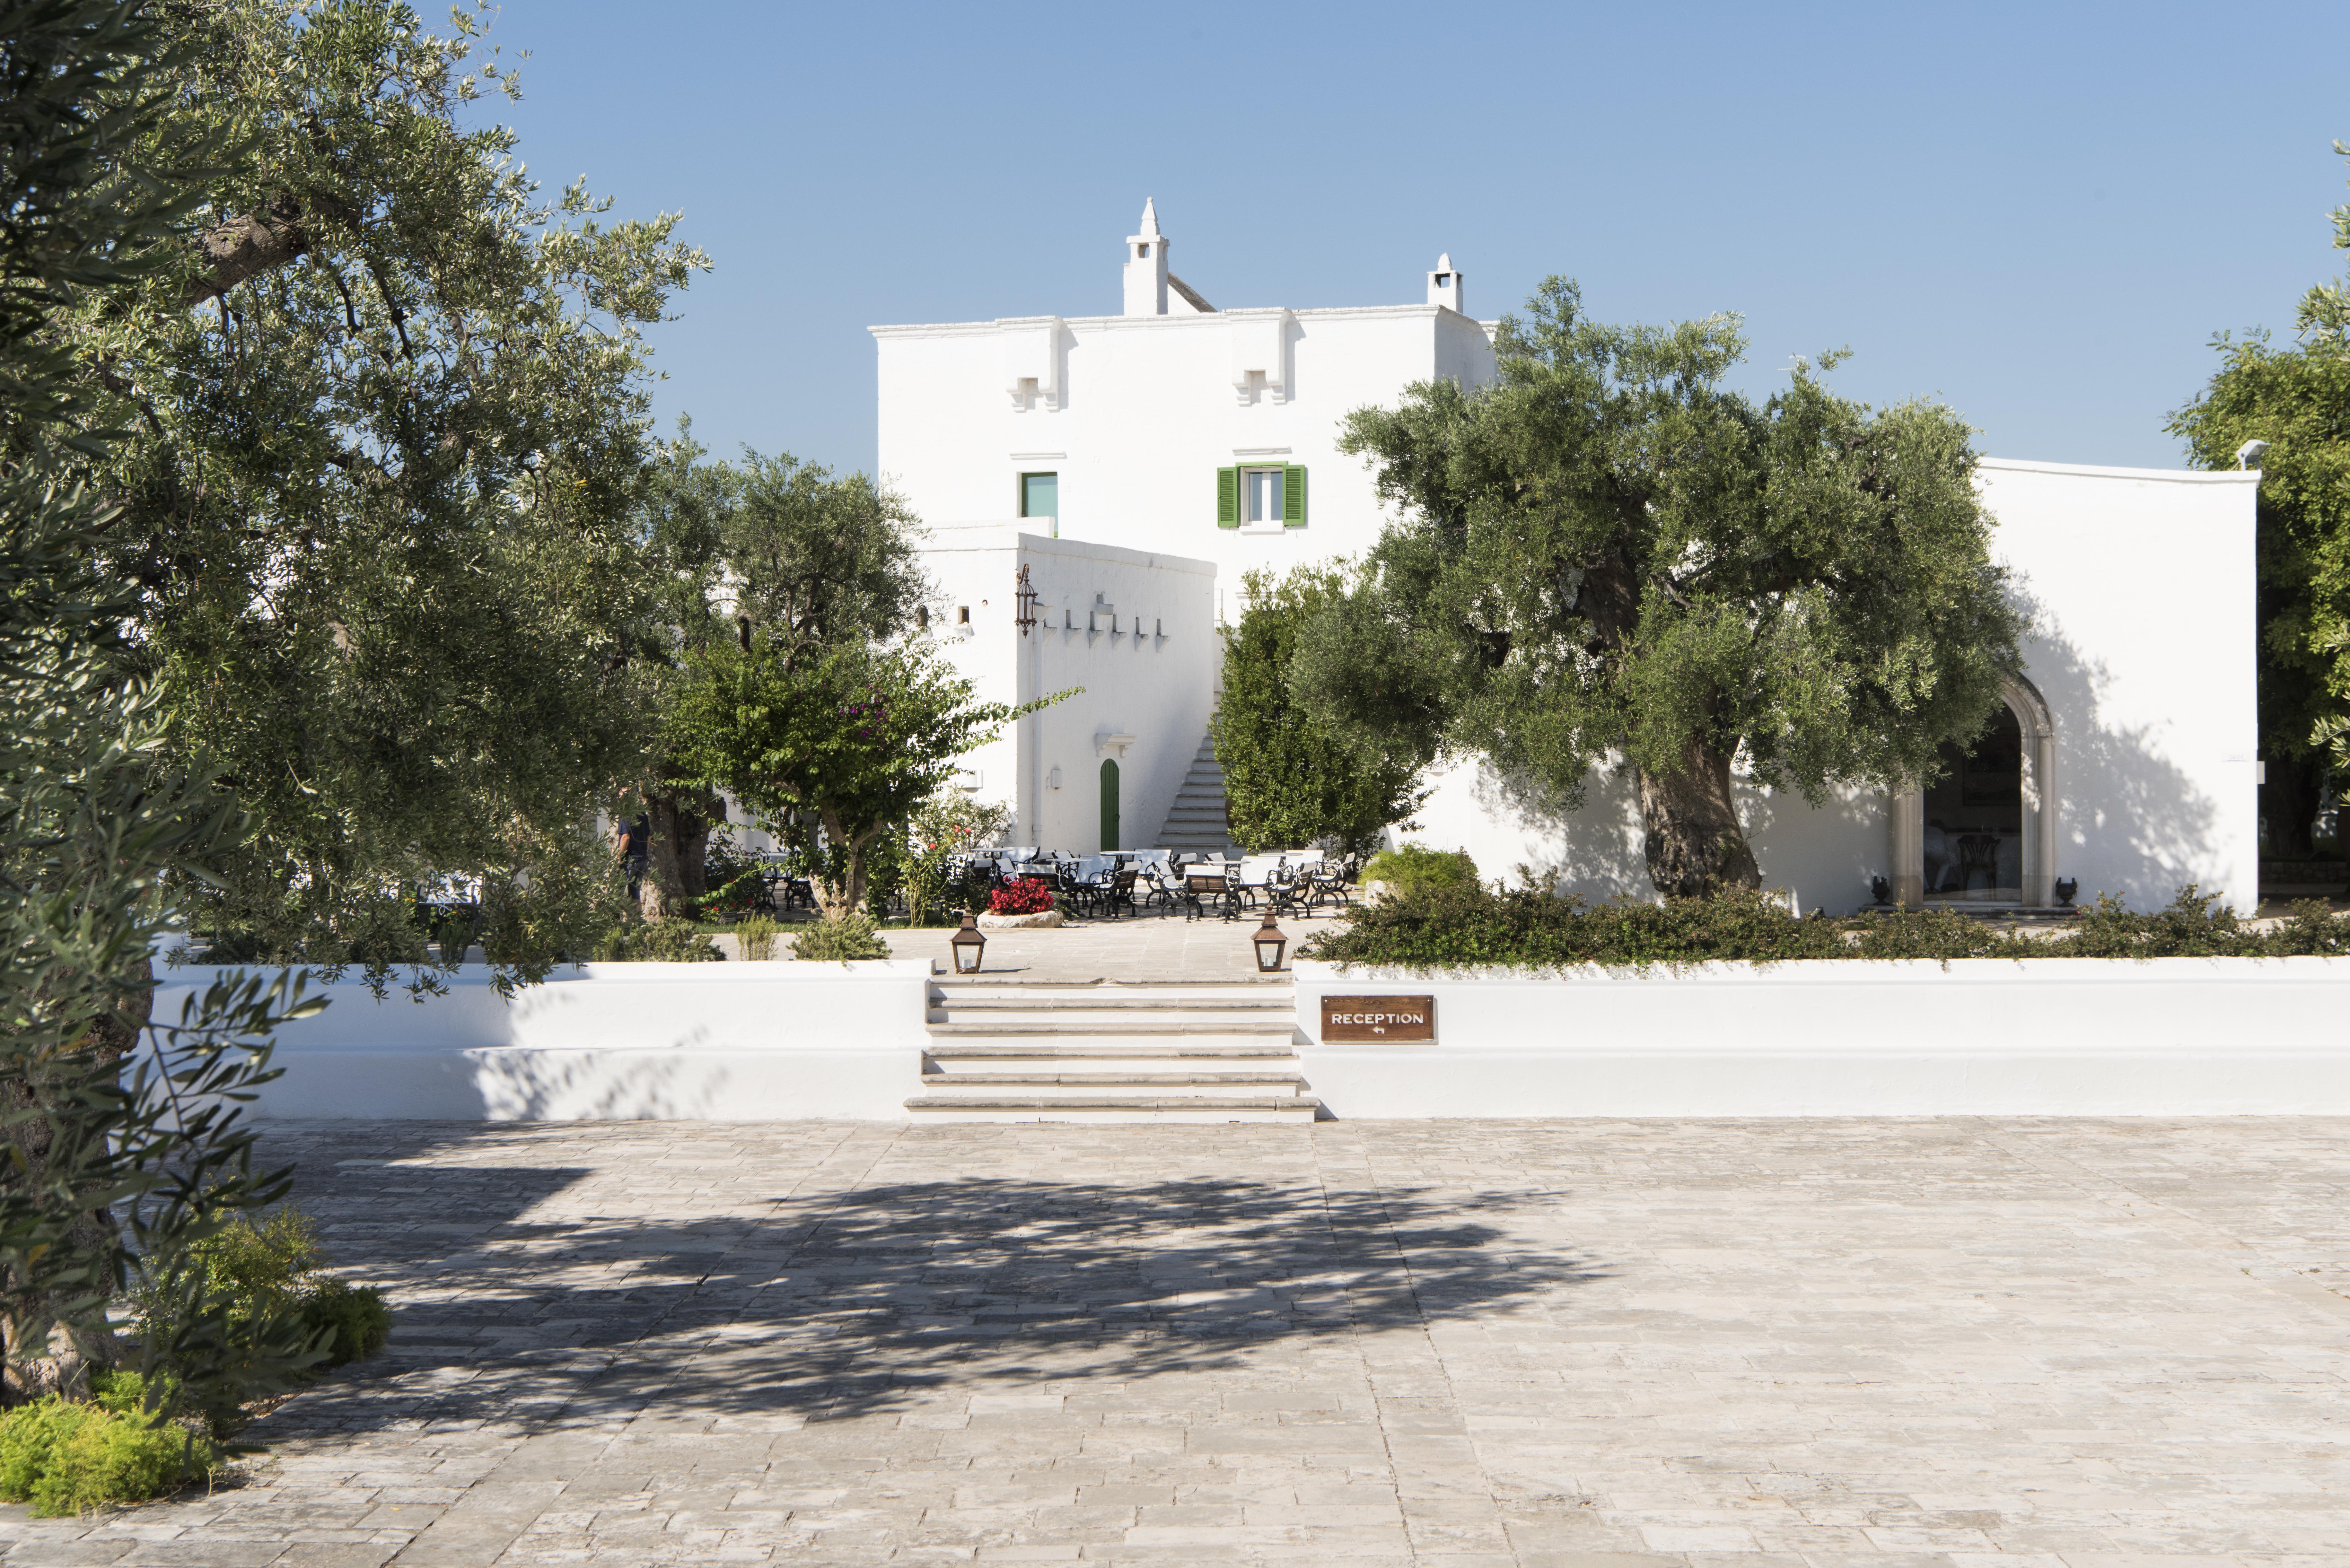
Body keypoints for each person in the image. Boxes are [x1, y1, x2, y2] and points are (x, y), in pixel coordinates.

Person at [614, 811, 650, 901]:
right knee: (635, 895)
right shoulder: (643, 815)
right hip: (642, 859)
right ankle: (636, 915)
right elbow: (649, 838)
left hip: (630, 860)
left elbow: (626, 837)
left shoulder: (626, 814)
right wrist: (644, 852)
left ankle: (615, 915)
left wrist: (619, 858)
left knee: (617, 892)